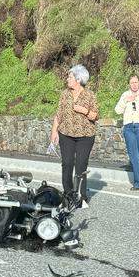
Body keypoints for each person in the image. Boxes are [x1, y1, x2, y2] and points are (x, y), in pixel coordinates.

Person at [50, 64, 99, 208]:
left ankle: (81, 197)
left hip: (85, 136)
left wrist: (84, 110)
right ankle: (68, 195)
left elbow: (95, 116)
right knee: (67, 164)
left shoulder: (89, 95)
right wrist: (54, 131)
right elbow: (59, 114)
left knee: (80, 166)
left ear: (78, 79)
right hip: (66, 134)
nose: (67, 79)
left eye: (70, 77)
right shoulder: (65, 94)